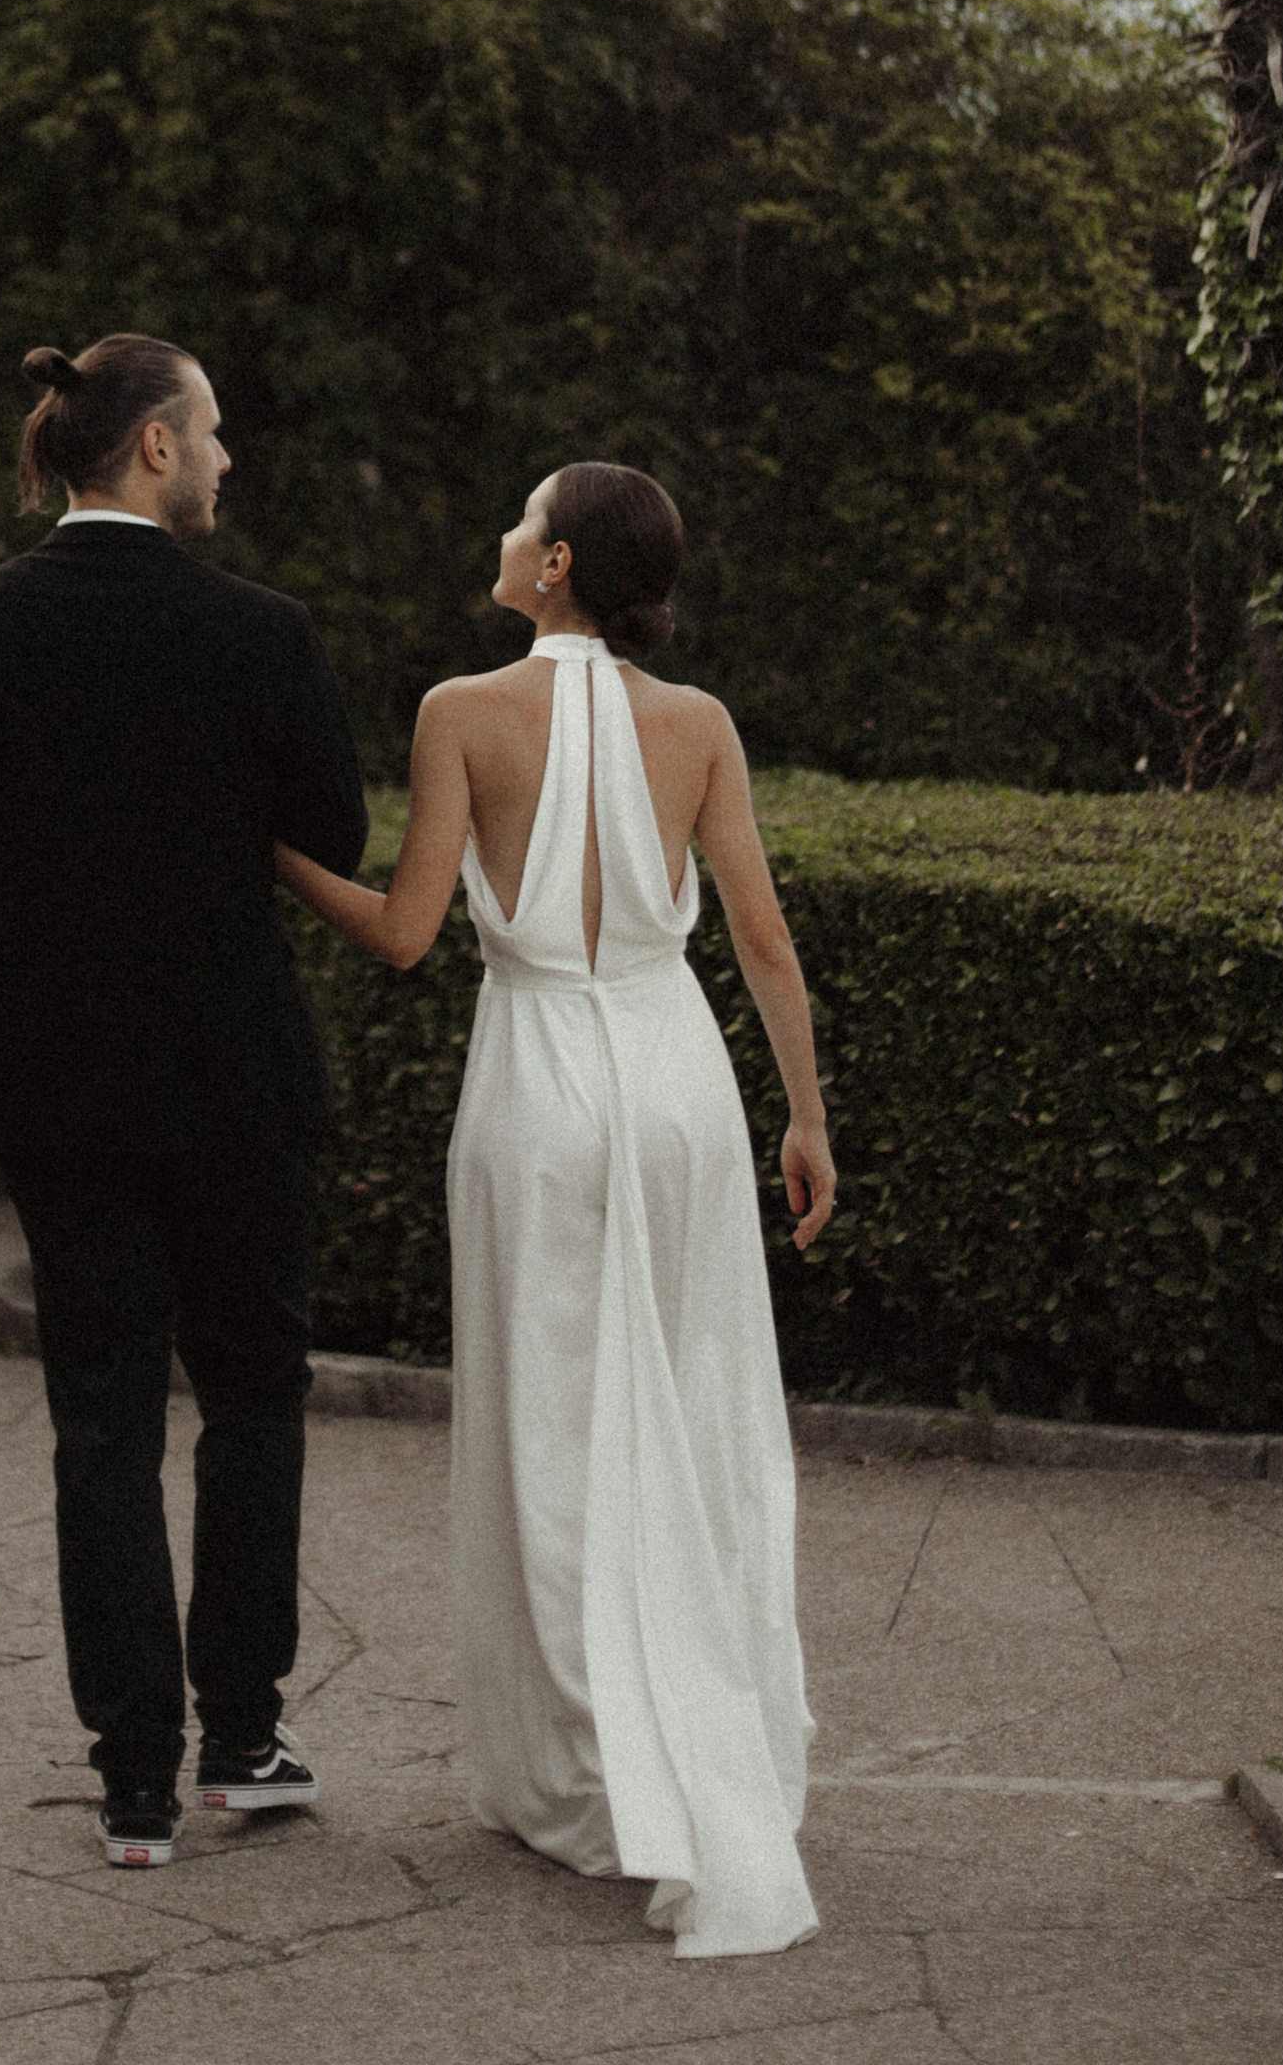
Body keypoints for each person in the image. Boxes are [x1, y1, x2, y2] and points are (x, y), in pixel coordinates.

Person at [275, 460, 831, 1961]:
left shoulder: (464, 713)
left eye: (518, 520)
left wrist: (272, 856)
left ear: (558, 562)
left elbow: (403, 935)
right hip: (679, 1086)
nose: (503, 535)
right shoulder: (700, 724)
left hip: (536, 1091)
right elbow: (764, 941)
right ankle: (712, 1744)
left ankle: (577, 1779)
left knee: (549, 1426)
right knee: (701, 1412)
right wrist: (809, 1118)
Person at [0, 333, 368, 1872]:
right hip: (229, 1069)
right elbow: (335, 828)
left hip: (51, 1076)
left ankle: (133, 1783)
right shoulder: (262, 634)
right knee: (252, 1394)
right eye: (214, 433)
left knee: (100, 1416)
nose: (228, 459)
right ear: (153, 445)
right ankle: (244, 1735)